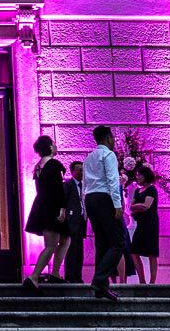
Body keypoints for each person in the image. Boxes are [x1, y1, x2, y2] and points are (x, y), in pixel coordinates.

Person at [82, 125, 127, 301]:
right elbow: (112, 180)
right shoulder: (108, 155)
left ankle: (102, 287)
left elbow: (85, 184)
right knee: (118, 242)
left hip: (91, 200)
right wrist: (117, 205)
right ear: (108, 138)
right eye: (113, 137)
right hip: (104, 199)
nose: (114, 141)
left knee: (102, 243)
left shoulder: (89, 158)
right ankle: (100, 279)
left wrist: (85, 209)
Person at [23, 135, 68, 289]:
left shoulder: (38, 166)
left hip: (41, 206)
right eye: (53, 144)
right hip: (52, 207)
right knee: (51, 244)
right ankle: (34, 276)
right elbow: (58, 189)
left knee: (64, 239)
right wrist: (62, 208)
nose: (56, 146)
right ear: (49, 146)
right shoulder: (54, 165)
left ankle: (55, 273)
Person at [128, 162, 160, 285]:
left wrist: (136, 206)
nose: (137, 177)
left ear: (146, 176)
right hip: (140, 223)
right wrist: (136, 206)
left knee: (152, 253)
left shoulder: (151, 189)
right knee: (134, 251)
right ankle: (142, 280)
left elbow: (146, 206)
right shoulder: (137, 191)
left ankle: (152, 281)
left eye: (140, 175)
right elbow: (131, 207)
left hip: (150, 224)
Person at [61, 160, 87, 283]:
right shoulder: (68, 185)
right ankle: (70, 276)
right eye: (78, 169)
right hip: (71, 221)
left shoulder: (84, 186)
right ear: (72, 171)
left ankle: (78, 276)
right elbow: (63, 202)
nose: (81, 172)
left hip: (81, 221)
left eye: (82, 169)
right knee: (71, 250)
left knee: (79, 250)